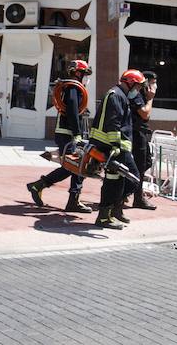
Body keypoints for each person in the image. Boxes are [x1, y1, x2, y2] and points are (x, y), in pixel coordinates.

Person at [26, 60, 93, 213]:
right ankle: (40, 186)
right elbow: (72, 111)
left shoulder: (70, 87)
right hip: (68, 133)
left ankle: (70, 199)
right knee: (75, 166)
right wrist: (77, 133)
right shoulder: (73, 88)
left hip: (66, 133)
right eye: (84, 74)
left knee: (76, 166)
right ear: (78, 73)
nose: (86, 78)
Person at [90, 70, 145, 229]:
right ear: (131, 82)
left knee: (115, 180)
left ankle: (110, 212)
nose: (139, 90)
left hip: (114, 147)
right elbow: (112, 124)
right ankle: (108, 213)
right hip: (113, 148)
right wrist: (115, 146)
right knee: (132, 178)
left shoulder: (119, 95)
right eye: (138, 86)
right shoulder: (116, 95)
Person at [128, 72, 158, 211]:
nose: (154, 86)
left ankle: (129, 190)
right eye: (152, 83)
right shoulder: (137, 95)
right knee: (139, 166)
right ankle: (136, 197)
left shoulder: (143, 96)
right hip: (136, 132)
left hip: (143, 132)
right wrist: (150, 99)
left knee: (146, 163)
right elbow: (145, 113)